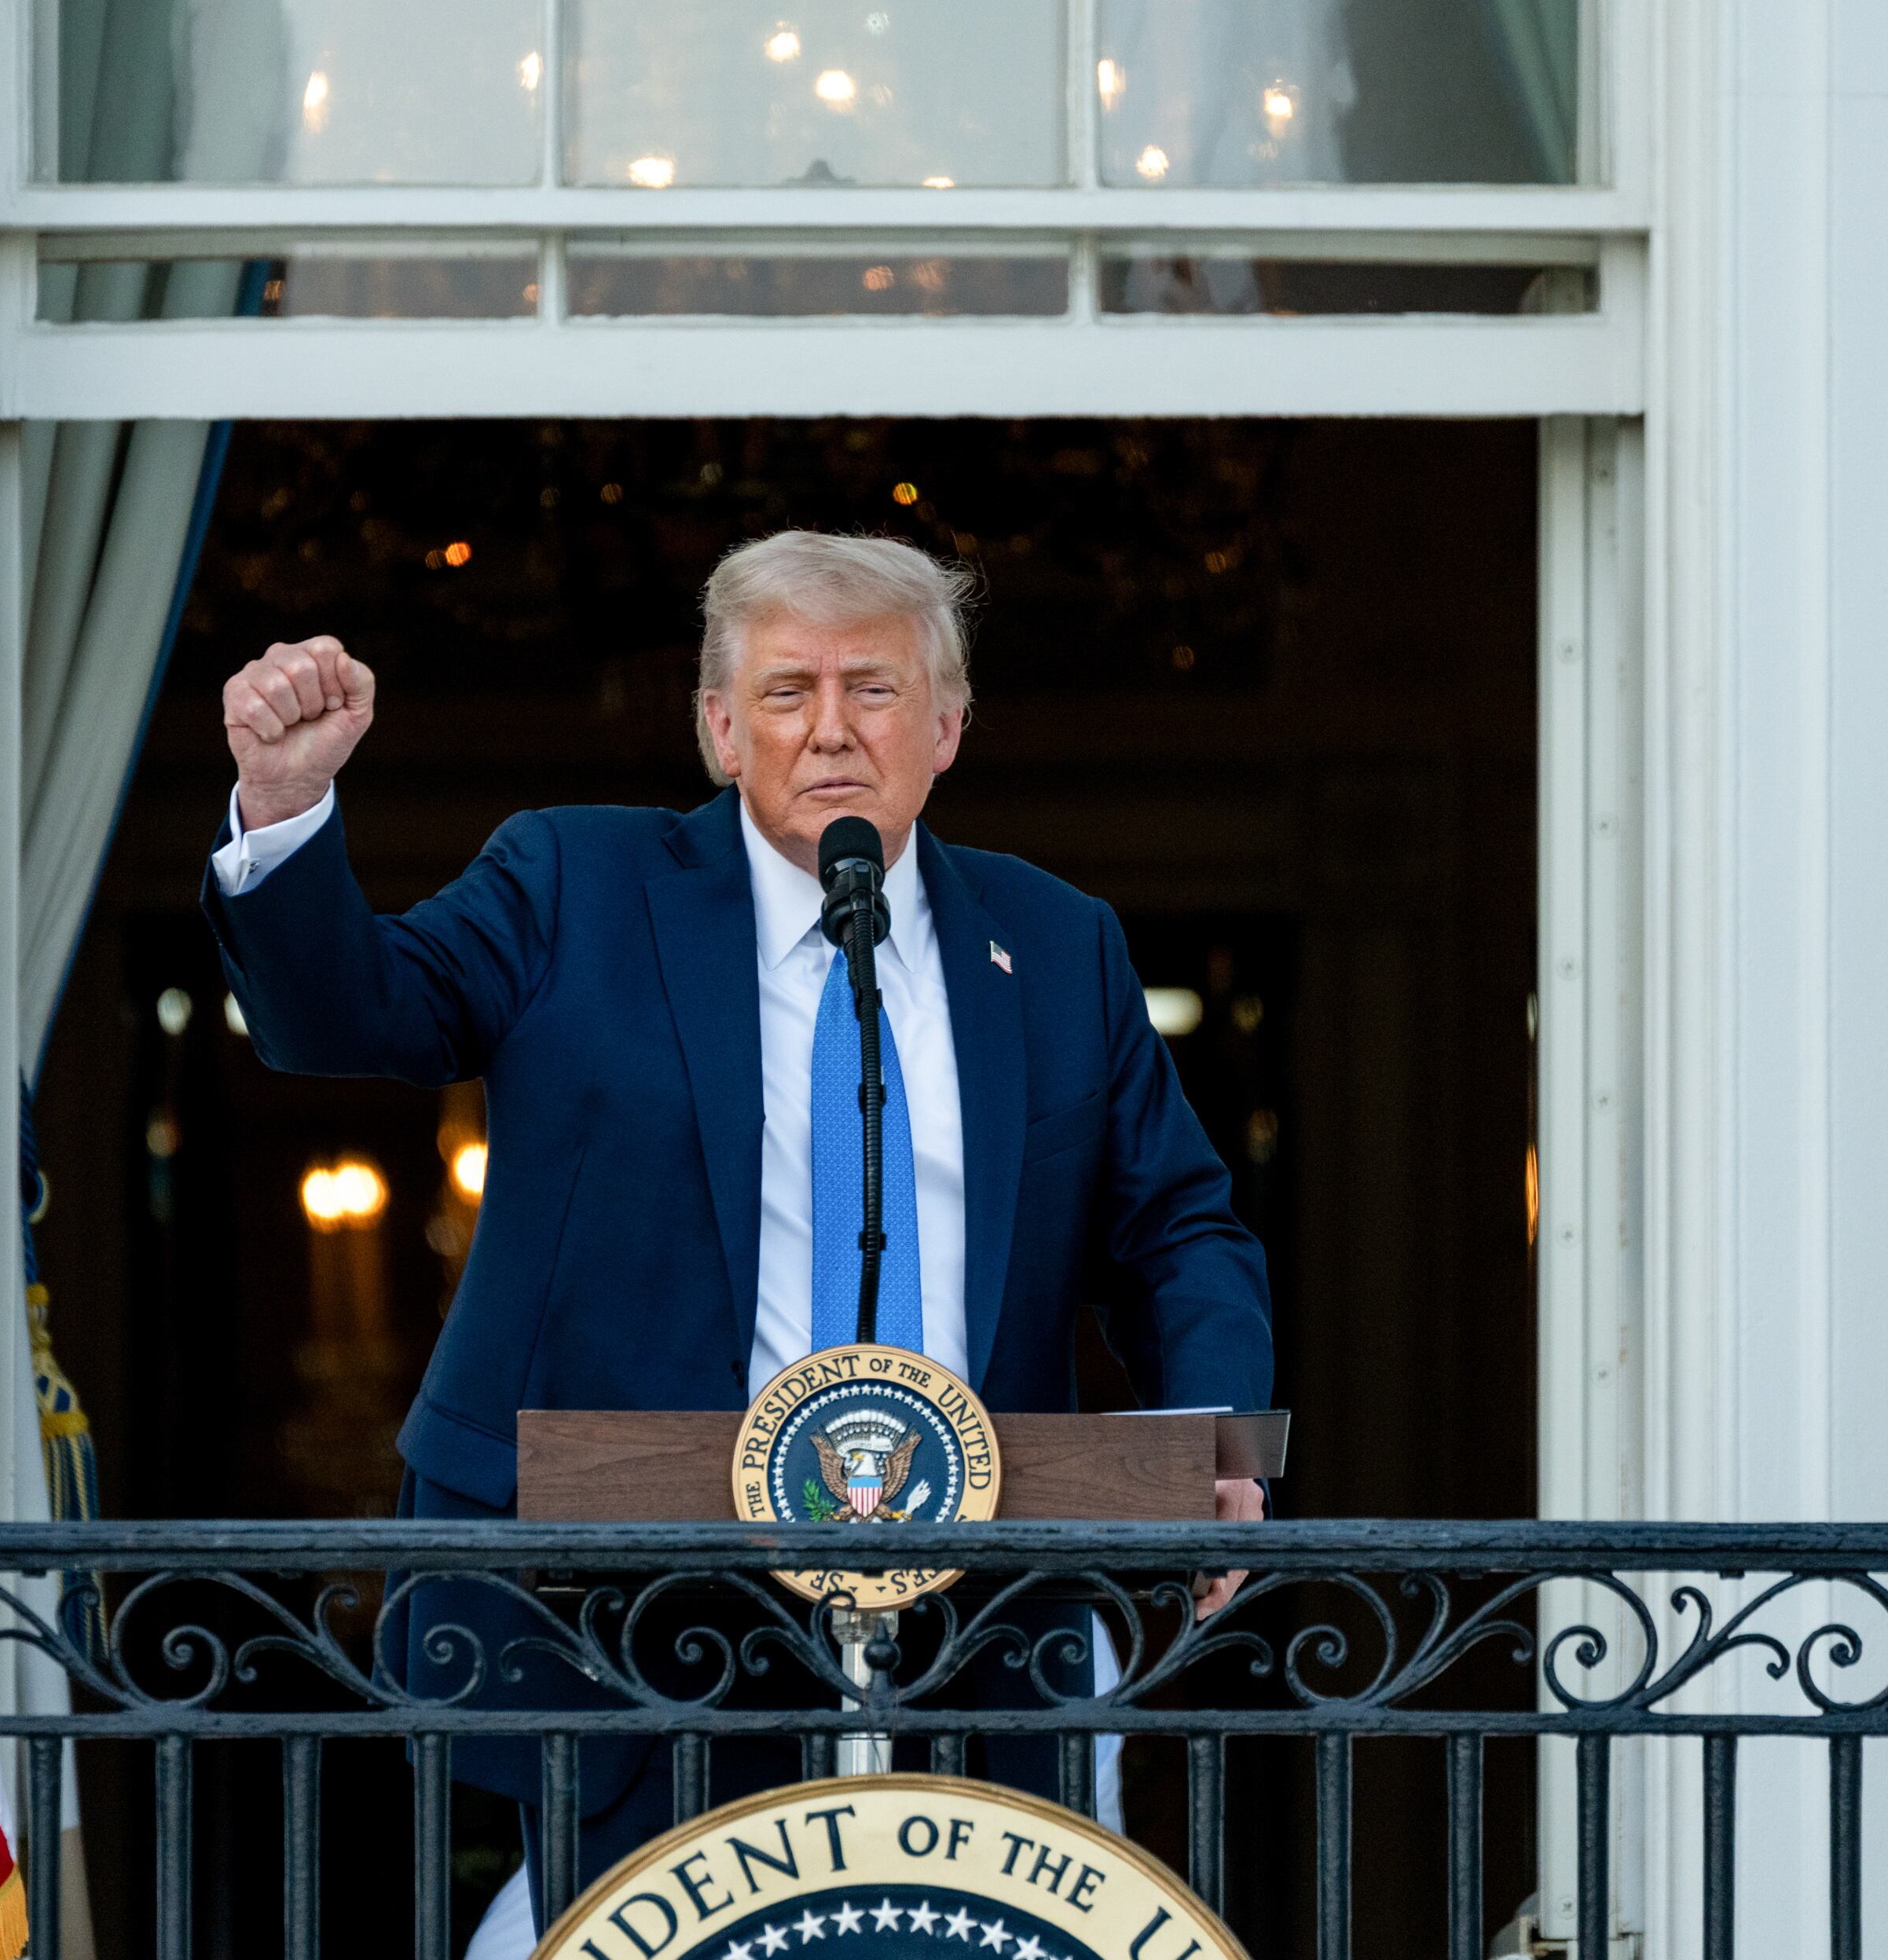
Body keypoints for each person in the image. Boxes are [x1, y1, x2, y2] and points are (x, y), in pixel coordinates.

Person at [202, 529, 1274, 1936]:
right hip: (634, 1604)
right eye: (785, 692)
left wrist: (1207, 1441)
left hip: (981, 1611)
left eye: (875, 690)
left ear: (948, 728)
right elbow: (350, 1014)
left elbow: (1178, 1227)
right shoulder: (572, 886)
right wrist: (282, 809)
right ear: (718, 728)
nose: (830, 729)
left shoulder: (1054, 941)